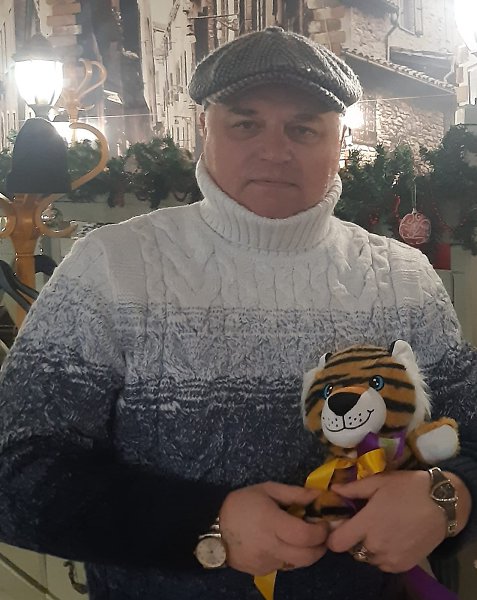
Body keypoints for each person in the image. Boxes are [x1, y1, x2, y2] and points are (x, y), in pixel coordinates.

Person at [0, 26, 475, 600]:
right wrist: (207, 525)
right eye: (246, 124)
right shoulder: (110, 267)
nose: (275, 151)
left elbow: (470, 434)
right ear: (205, 129)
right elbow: (16, 470)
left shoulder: (405, 279)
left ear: (340, 141)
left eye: (303, 129)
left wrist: (450, 497)